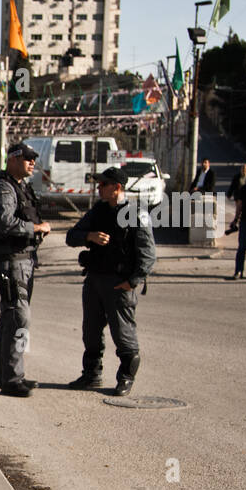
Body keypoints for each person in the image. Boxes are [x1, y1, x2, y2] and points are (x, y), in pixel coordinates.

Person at [64, 167, 156, 396]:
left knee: (123, 333)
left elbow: (148, 252)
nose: (98, 188)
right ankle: (91, 374)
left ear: (117, 187)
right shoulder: (98, 211)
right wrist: (89, 236)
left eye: (103, 184)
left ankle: (126, 377)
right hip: (94, 279)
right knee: (91, 331)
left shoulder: (136, 213)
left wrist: (133, 281)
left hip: (119, 282)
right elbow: (71, 236)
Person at [0, 142, 51, 397]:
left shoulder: (20, 187)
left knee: (15, 320)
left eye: (34, 159)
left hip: (23, 260)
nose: (32, 162)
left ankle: (13, 374)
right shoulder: (2, 188)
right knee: (19, 318)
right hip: (10, 261)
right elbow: (5, 223)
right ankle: (12, 379)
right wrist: (36, 228)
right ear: (12, 159)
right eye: (27, 158)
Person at [227, 164, 246, 233]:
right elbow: (232, 186)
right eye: (243, 170)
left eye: (245, 170)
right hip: (238, 196)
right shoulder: (237, 177)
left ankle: (238, 220)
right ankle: (236, 221)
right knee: (238, 209)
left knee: (243, 209)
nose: (244, 171)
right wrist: (229, 194)